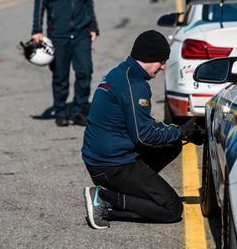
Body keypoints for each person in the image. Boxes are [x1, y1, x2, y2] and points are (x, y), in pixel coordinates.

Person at [81, 30, 202, 229]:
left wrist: (178, 133)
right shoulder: (135, 85)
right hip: (111, 166)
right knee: (172, 209)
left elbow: (141, 123)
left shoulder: (122, 73)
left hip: (105, 158)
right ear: (148, 58)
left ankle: (132, 190)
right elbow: (143, 135)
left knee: (172, 145)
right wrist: (181, 132)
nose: (163, 67)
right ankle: (105, 200)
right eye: (161, 61)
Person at [32, 0, 99, 127]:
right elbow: (40, 2)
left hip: (81, 34)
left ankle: (79, 110)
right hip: (58, 35)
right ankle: (61, 111)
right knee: (60, 76)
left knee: (85, 72)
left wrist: (93, 27)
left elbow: (89, 3)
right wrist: (37, 30)